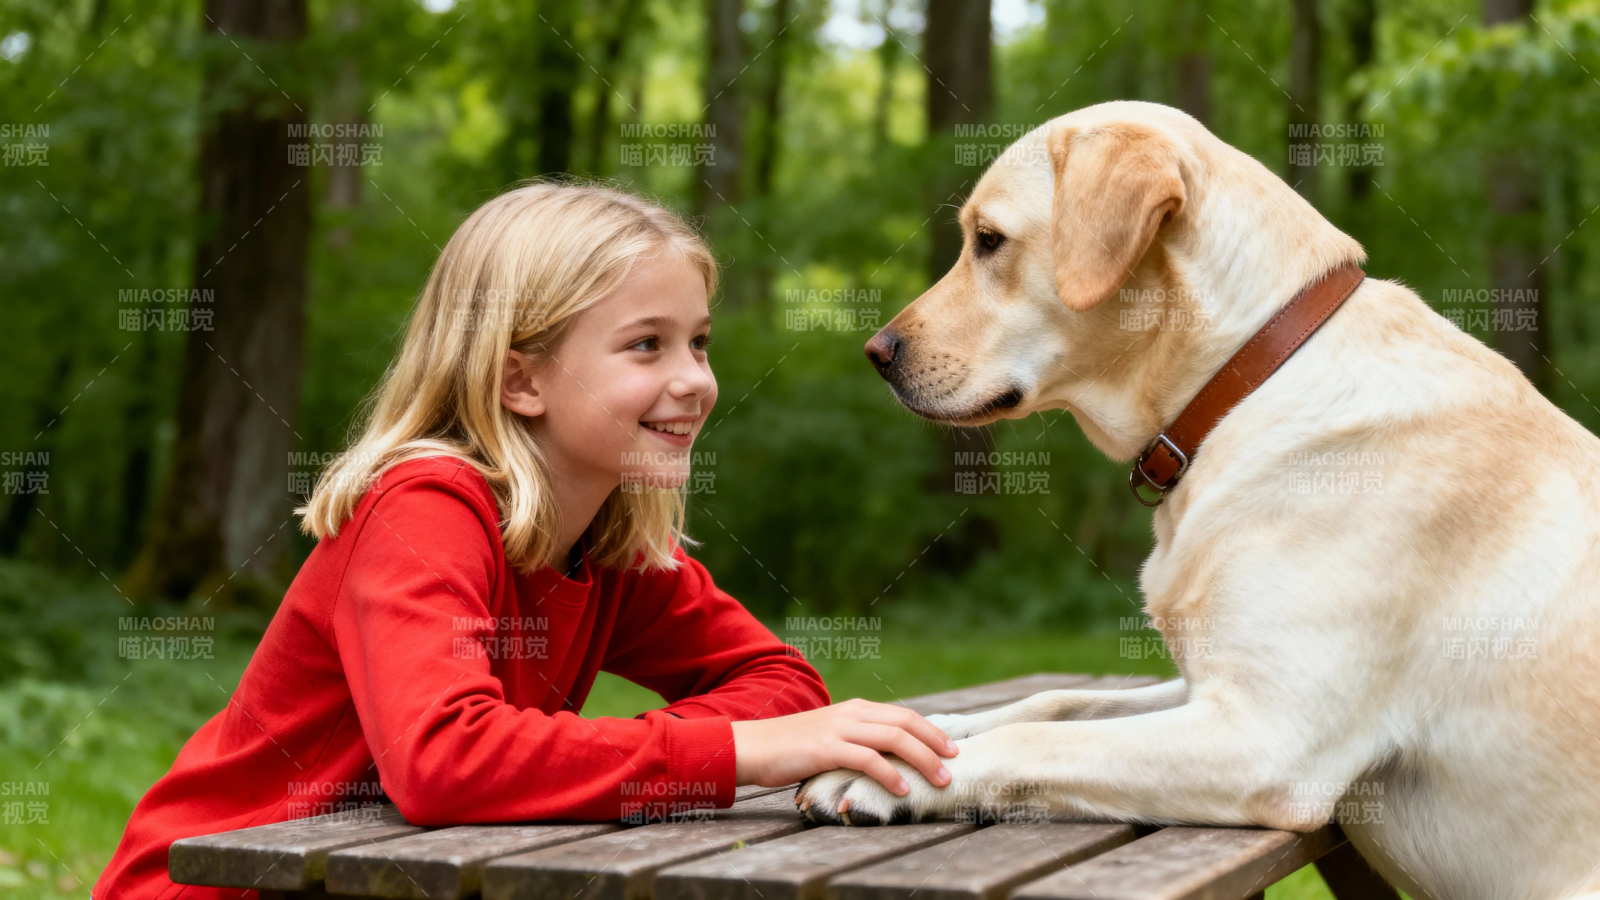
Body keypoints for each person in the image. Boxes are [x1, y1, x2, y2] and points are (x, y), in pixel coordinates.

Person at [95, 182, 957, 899]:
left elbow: (784, 687)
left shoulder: (608, 538)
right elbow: (443, 761)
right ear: (520, 379)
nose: (695, 379)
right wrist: (726, 752)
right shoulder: (422, 508)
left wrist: (637, 757)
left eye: (698, 342)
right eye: (646, 346)